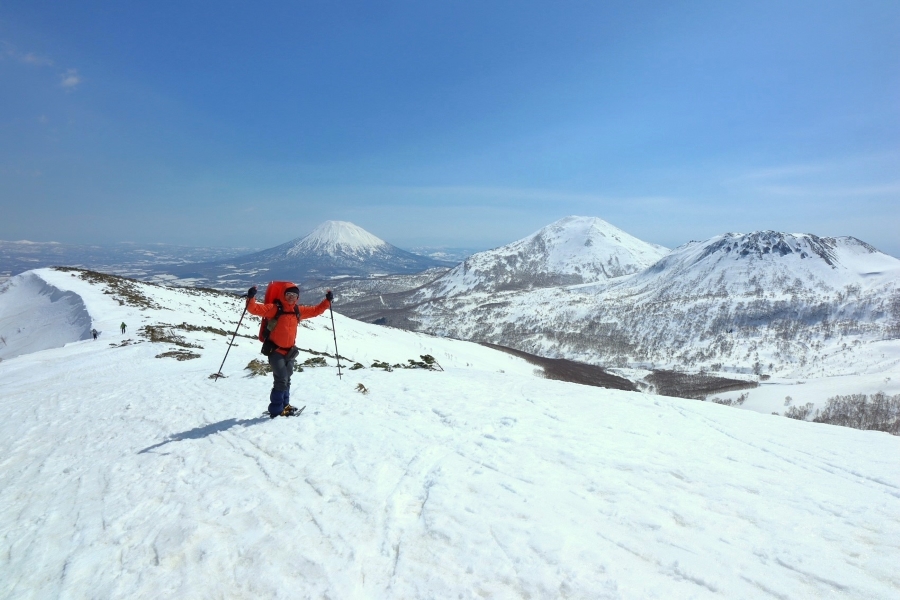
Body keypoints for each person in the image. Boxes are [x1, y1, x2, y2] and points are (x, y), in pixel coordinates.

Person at [246, 284, 333, 418]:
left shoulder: (298, 310)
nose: (291, 297)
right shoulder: (274, 309)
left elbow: (316, 310)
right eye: (288, 295)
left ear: (297, 298)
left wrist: (327, 301)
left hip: (290, 352)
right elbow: (254, 309)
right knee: (281, 380)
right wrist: (251, 297)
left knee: (287, 379)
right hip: (276, 351)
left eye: (294, 295)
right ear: (284, 295)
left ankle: (285, 406)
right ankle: (276, 410)